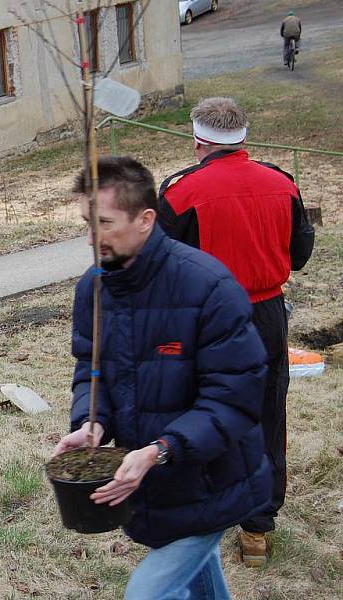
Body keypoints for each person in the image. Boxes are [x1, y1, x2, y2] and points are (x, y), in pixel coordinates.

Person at [54, 156, 272, 599]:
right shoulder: (94, 289)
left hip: (214, 478)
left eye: (105, 223)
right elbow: (91, 369)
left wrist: (160, 450)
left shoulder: (207, 287)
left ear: (146, 219)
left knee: (146, 594)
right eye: (86, 223)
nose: (93, 237)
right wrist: (92, 422)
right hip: (161, 487)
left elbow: (232, 399)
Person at [158, 97, 314, 567]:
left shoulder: (181, 191)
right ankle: (257, 526)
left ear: (199, 141)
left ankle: (201, 511)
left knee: (199, 410)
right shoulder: (282, 184)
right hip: (266, 314)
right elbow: (300, 250)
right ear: (243, 137)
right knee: (267, 413)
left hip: (206, 318)